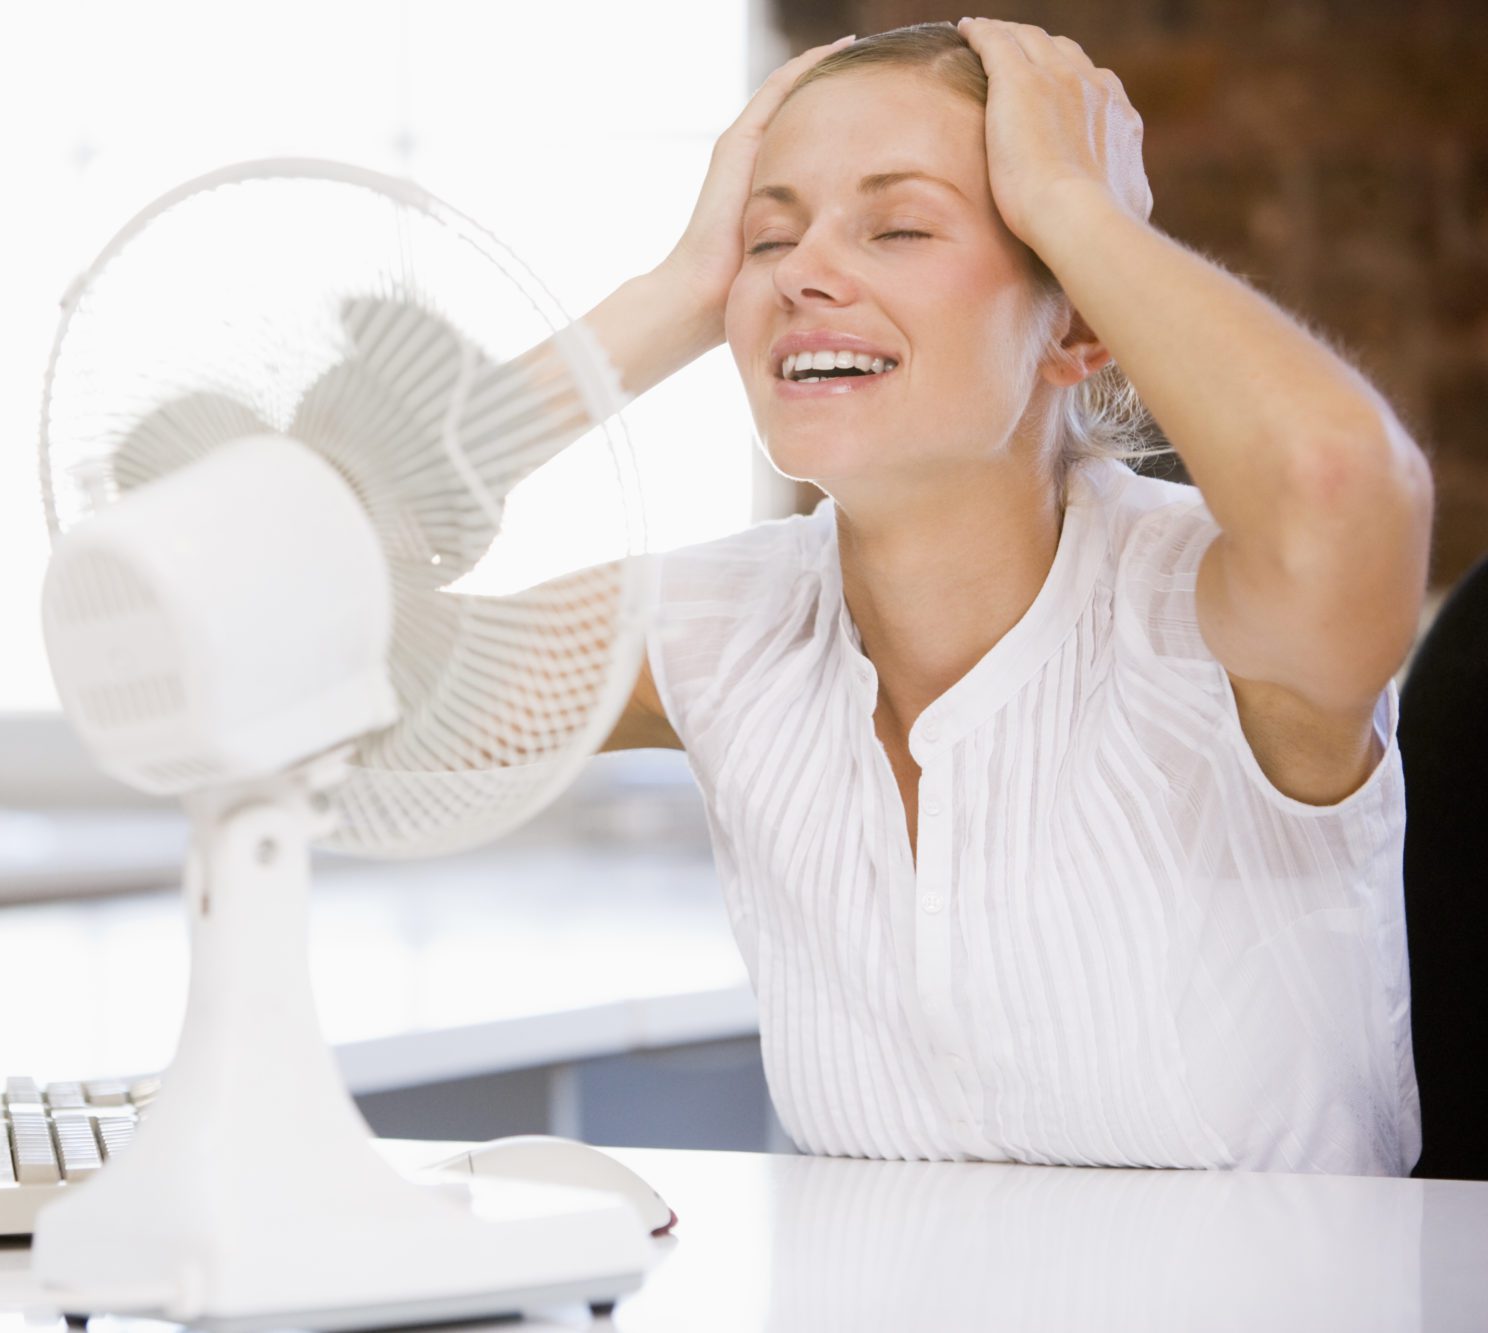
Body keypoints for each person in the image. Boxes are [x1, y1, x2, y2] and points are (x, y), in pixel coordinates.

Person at [582, 19, 1432, 1176]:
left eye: (898, 225)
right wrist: (666, 295)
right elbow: (281, 662)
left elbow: (1332, 482)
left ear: (1074, 317)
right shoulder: (721, 629)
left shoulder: (1208, 614)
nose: (801, 275)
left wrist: (1071, 207)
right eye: (766, 237)